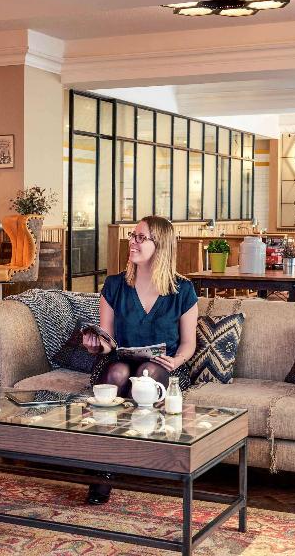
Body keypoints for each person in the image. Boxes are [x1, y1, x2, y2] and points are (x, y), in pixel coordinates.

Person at [82, 215, 198, 504]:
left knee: (148, 372)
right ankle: (102, 469)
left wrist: (177, 361)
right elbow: (108, 341)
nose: (132, 242)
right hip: (118, 361)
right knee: (118, 374)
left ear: (160, 245)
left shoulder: (182, 290)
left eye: (140, 237)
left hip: (165, 368)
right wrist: (96, 346)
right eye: (132, 236)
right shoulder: (114, 285)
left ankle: (133, 459)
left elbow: (188, 343)